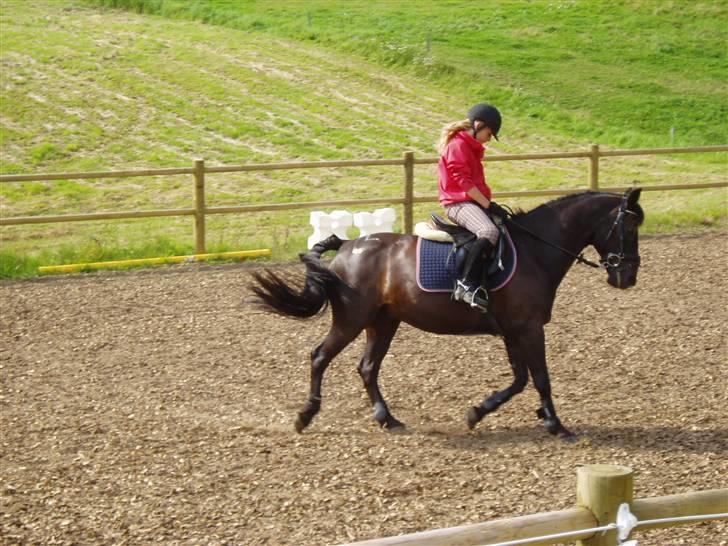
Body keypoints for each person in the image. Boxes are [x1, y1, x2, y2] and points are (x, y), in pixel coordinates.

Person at [437, 103, 508, 311]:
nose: (489, 138)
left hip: (471, 202)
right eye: (489, 132)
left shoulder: (470, 147)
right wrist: (489, 205)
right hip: (457, 203)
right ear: (478, 125)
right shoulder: (458, 146)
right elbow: (464, 183)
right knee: (487, 231)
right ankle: (465, 284)